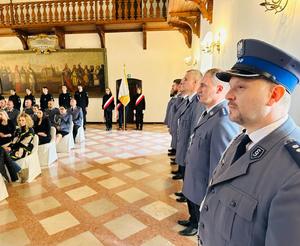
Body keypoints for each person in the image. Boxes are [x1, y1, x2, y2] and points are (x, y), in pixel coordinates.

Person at [198, 39, 300, 246]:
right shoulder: (243, 140)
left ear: (274, 95)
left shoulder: (294, 174)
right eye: (230, 86)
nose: (228, 95)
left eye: (241, 87)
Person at [177, 69, 240, 237]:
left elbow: (219, 168)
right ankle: (193, 220)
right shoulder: (209, 113)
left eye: (203, 86)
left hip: (203, 183)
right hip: (196, 178)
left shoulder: (222, 120)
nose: (198, 90)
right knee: (193, 205)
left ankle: (198, 225)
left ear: (219, 90)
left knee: (201, 214)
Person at [164, 79, 181, 154]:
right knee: (173, 135)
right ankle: (174, 148)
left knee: (176, 136)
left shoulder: (180, 98)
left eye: (173, 86)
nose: (172, 87)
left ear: (178, 86)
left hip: (175, 121)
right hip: (172, 120)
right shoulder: (175, 96)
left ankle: (176, 151)